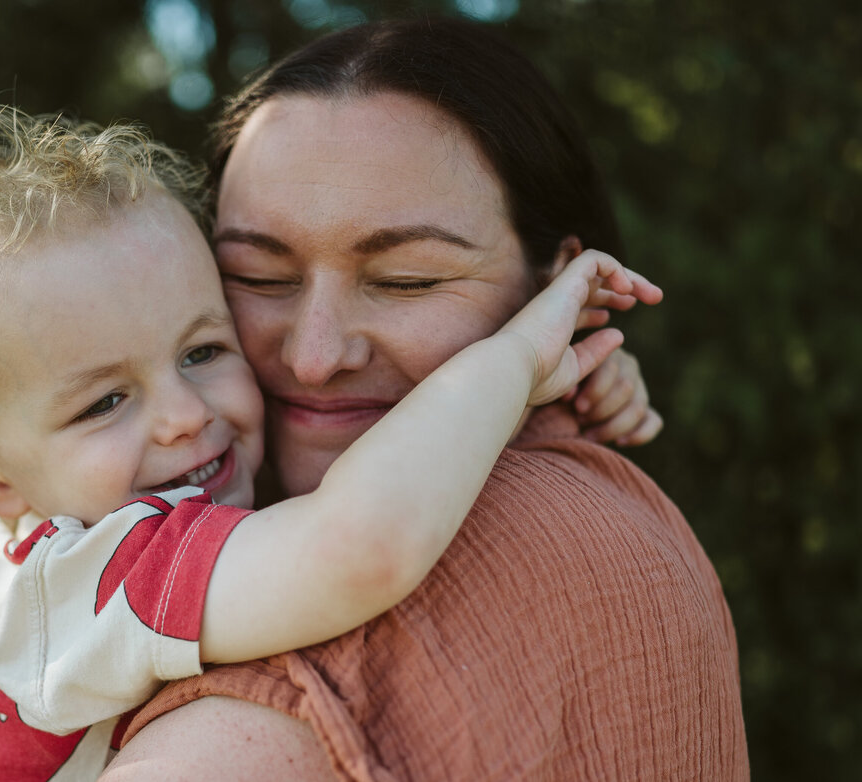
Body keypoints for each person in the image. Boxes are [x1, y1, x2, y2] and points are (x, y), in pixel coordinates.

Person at [0, 107, 660, 781]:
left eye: (202, 351)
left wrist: (569, 380)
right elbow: (359, 546)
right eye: (105, 402)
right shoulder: (90, 577)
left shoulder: (95, 504)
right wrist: (512, 363)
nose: (185, 415)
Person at [102, 17, 748, 782]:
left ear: (558, 287)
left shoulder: (502, 543)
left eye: (406, 281)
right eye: (258, 278)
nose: (314, 358)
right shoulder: (130, 516)